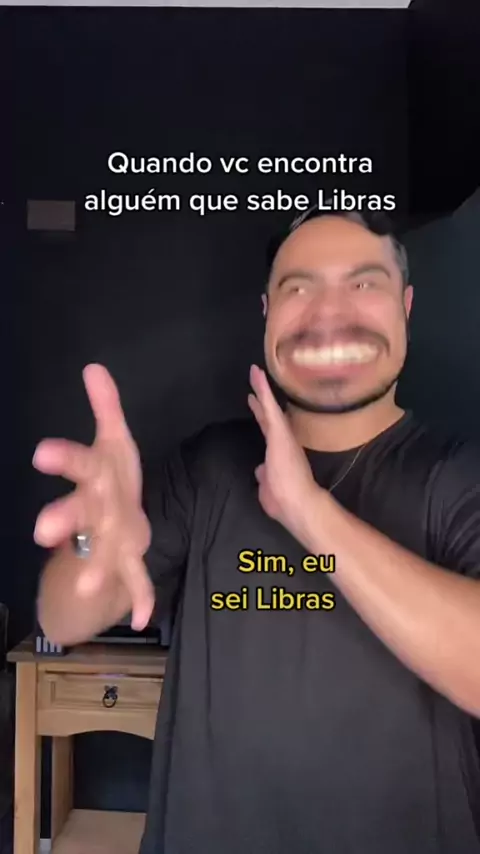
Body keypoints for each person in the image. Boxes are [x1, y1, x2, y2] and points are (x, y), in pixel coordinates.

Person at [33, 208, 480, 854]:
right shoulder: (211, 466)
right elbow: (62, 618)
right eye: (299, 287)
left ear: (405, 307)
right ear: (267, 313)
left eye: (363, 283)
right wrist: (90, 546)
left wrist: (310, 513)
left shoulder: (460, 476)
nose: (330, 313)